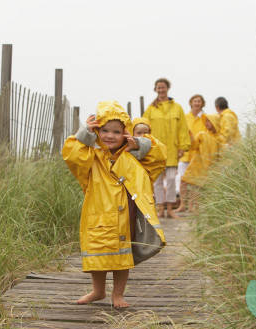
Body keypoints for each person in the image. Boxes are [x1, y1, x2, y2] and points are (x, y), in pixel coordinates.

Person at [62, 101, 167, 308]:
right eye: (104, 130)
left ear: (126, 134)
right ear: (97, 131)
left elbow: (159, 157)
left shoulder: (132, 158)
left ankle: (117, 294)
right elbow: (71, 155)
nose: (110, 136)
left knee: (122, 254)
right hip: (98, 215)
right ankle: (98, 291)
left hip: (125, 213)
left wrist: (139, 145)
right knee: (98, 253)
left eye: (117, 132)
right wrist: (84, 134)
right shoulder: (91, 158)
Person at [143, 78, 191, 219]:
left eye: (163, 87)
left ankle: (170, 210)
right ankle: (160, 210)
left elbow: (183, 128)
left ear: (168, 88)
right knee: (157, 181)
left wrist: (183, 146)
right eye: (158, 87)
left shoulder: (177, 108)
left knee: (170, 179)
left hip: (172, 150)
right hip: (155, 149)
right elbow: (144, 127)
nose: (161, 90)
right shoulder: (151, 109)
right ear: (155, 89)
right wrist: (145, 145)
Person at [181, 113, 222, 212]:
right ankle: (187, 205)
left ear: (215, 122)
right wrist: (190, 136)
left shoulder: (219, 138)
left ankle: (196, 207)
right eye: (206, 121)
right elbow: (193, 147)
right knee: (186, 181)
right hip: (197, 163)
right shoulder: (202, 134)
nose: (207, 123)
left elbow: (220, 154)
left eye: (209, 121)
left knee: (198, 186)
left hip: (210, 165)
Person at [174, 94, 207, 213]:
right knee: (183, 180)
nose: (197, 103)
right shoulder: (185, 117)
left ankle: (194, 206)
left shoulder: (205, 118)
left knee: (195, 181)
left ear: (202, 103)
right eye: (195, 101)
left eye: (199, 101)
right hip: (185, 153)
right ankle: (183, 204)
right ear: (191, 103)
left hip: (198, 153)